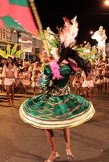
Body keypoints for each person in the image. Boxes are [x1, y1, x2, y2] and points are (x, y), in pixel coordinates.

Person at [19, 17, 95, 162]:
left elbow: (43, 85)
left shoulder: (50, 67)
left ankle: (54, 152)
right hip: (66, 97)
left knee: (47, 125)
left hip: (52, 99)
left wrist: (44, 72)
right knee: (66, 122)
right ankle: (68, 148)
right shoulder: (70, 67)